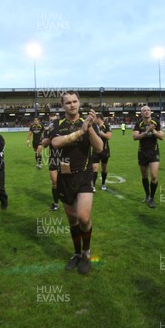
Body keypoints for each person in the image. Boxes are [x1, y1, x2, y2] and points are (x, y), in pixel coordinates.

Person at [50, 91, 103, 274]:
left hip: (84, 176)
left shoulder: (88, 123)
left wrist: (88, 129)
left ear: (79, 103)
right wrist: (79, 132)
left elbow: (99, 148)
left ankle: (87, 253)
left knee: (83, 217)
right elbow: (56, 143)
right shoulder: (57, 124)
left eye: (75, 101)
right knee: (72, 219)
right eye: (68, 102)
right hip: (65, 176)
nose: (72, 105)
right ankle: (77, 254)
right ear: (62, 105)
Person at [132, 105, 164, 208]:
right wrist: (146, 132)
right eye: (144, 110)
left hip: (153, 152)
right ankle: (147, 194)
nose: (146, 112)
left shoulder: (156, 122)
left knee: (154, 176)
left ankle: (151, 198)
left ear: (151, 112)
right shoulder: (138, 123)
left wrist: (153, 131)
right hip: (142, 153)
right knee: (145, 176)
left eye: (148, 110)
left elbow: (161, 136)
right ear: (141, 113)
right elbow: (135, 137)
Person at [41, 113, 61, 211]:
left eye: (54, 120)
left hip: (65, 158)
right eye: (50, 120)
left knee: (67, 181)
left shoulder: (63, 128)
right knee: (54, 182)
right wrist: (51, 136)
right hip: (53, 158)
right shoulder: (47, 130)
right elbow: (44, 144)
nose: (52, 122)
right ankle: (56, 203)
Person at [92, 113, 112, 191]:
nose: (94, 120)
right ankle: (93, 186)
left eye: (95, 118)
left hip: (105, 150)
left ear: (99, 118)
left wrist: (99, 132)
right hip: (95, 150)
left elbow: (108, 136)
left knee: (104, 168)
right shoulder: (94, 126)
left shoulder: (107, 126)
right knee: (94, 168)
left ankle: (103, 184)